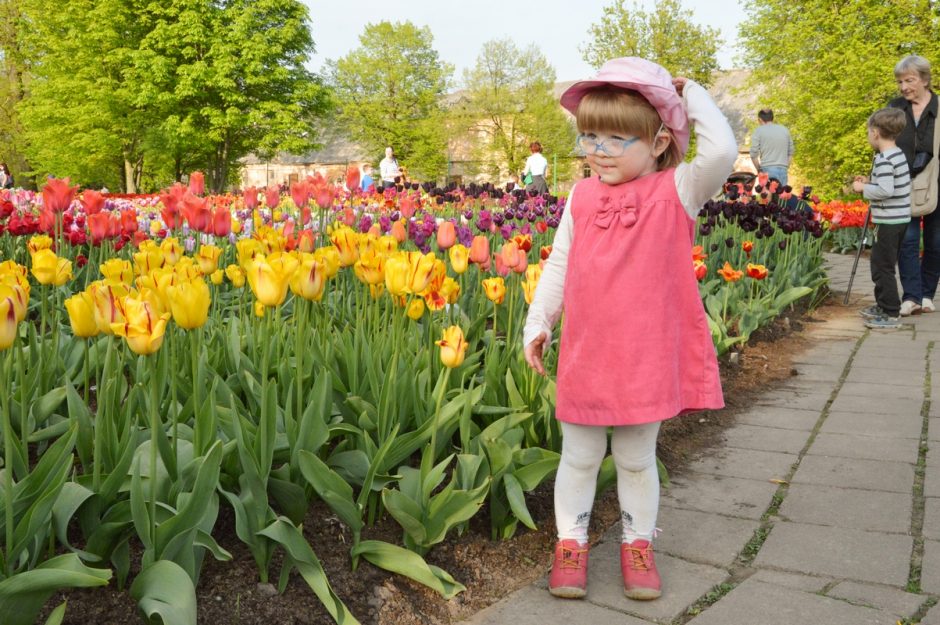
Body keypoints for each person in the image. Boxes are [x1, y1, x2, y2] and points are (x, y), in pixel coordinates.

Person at [523, 57, 736, 601]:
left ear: (660, 141)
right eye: (589, 136)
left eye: (617, 139)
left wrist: (693, 95)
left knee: (637, 458)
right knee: (580, 456)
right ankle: (570, 543)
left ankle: (637, 543)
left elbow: (722, 153)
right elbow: (560, 262)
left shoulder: (678, 190)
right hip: (587, 353)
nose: (597, 150)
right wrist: (538, 321)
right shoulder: (581, 196)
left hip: (645, 355)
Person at [889, 54, 940, 316]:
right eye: (900, 81)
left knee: (935, 242)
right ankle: (911, 296)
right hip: (903, 184)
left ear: (924, 79)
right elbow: (881, 143)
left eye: (909, 80)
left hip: (937, 183)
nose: (904, 87)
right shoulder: (895, 107)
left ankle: (927, 293)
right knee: (907, 241)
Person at [854, 108, 912, 329]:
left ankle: (890, 312)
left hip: (889, 221)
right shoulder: (897, 154)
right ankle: (883, 304)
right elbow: (892, 184)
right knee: (882, 263)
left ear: (876, 132)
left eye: (869, 132)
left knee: (882, 267)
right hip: (899, 219)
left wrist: (862, 187)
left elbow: (886, 191)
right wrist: (870, 181)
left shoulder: (885, 159)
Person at [749, 109, 794, 186]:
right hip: (783, 169)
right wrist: (786, 166)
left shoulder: (758, 131)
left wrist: (759, 169)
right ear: (772, 118)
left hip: (767, 169)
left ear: (759, 119)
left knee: (768, 197)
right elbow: (791, 152)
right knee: (782, 197)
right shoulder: (784, 130)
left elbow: (753, 154)